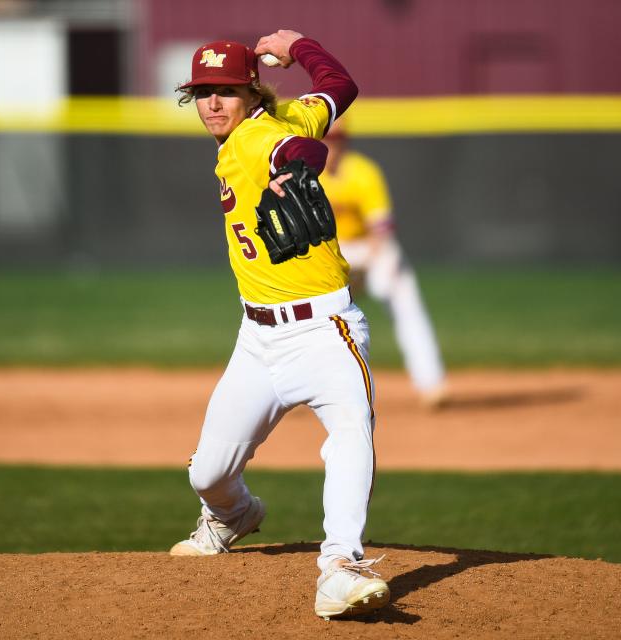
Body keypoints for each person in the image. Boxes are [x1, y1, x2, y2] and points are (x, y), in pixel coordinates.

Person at [169, 29, 389, 620]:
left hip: (326, 332)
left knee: (350, 435)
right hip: (257, 340)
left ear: (249, 93)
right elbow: (340, 87)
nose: (213, 104)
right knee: (209, 473)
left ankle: (341, 564)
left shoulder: (257, 138)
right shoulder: (290, 113)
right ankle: (234, 514)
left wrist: (300, 162)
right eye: (202, 93)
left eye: (225, 91)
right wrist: (303, 47)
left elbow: (291, 153)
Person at [318, 119, 448, 408]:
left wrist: (365, 271)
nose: (331, 145)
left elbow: (382, 231)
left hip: (365, 250)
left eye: (336, 138)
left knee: (400, 285)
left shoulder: (362, 172)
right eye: (325, 138)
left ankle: (431, 383)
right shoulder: (303, 174)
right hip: (326, 253)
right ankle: (298, 389)